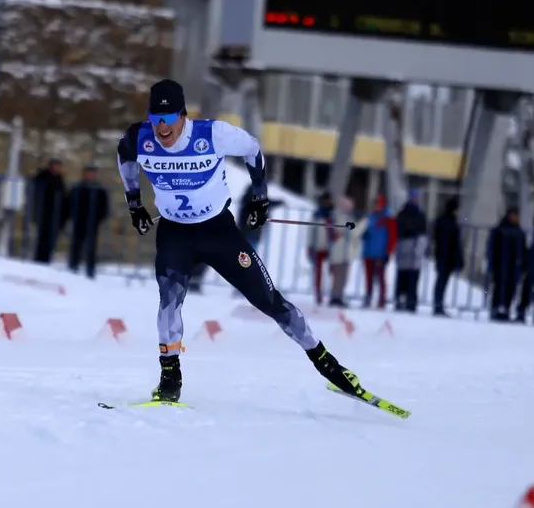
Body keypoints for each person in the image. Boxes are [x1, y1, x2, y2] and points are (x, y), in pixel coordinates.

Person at [116, 78, 364, 402]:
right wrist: (134, 202)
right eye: (155, 119)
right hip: (175, 233)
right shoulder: (140, 138)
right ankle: (170, 377)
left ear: (182, 116)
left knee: (268, 299)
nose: (161, 128)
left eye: (168, 119)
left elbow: (253, 149)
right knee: (169, 302)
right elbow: (124, 157)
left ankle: (326, 363)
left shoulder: (212, 134)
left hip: (218, 231)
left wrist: (260, 197)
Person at [65, 163, 110, 278]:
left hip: (92, 222)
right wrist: (72, 216)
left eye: (92, 173)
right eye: (88, 173)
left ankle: (90, 269)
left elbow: (104, 207)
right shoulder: (77, 188)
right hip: (79, 220)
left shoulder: (99, 189)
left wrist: (98, 219)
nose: (90, 175)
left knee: (91, 246)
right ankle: (73, 265)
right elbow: (68, 204)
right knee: (76, 244)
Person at [486, 206, 526, 322]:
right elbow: (492, 247)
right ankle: (496, 308)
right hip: (501, 263)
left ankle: (506, 308)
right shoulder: (500, 230)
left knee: (511, 287)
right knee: (499, 286)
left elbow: (522, 249)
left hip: (514, 264)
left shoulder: (519, 232)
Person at [393, 189, 428, 312]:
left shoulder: (417, 214)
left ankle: (409, 300)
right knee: (404, 275)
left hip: (413, 247)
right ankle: (404, 300)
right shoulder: (405, 213)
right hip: (405, 246)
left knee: (410, 276)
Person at [28, 157, 68, 264]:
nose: (56, 169)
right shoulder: (42, 178)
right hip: (43, 214)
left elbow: (63, 199)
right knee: (41, 239)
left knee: (51, 241)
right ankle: (39, 260)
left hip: (55, 217)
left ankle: (45, 260)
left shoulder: (60, 181)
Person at [361, 194, 396, 309]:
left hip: (380, 253)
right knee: (369, 277)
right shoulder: (371, 216)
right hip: (368, 252)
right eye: (374, 203)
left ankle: (382, 300)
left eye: (377, 203)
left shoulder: (388, 218)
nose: (375, 206)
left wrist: (388, 252)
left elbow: (392, 236)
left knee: (380, 277)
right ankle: (368, 297)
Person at [431, 196, 463, 317]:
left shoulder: (447, 221)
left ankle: (438, 304)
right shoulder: (448, 222)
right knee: (442, 281)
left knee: (442, 281)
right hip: (446, 256)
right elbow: (449, 242)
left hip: (445, 256)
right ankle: (438, 305)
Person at [307, 191, 334, 306]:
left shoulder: (333, 214)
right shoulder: (317, 214)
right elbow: (311, 231)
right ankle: (319, 294)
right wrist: (310, 246)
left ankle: (332, 294)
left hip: (331, 248)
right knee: (318, 272)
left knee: (331, 272)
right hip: (318, 247)